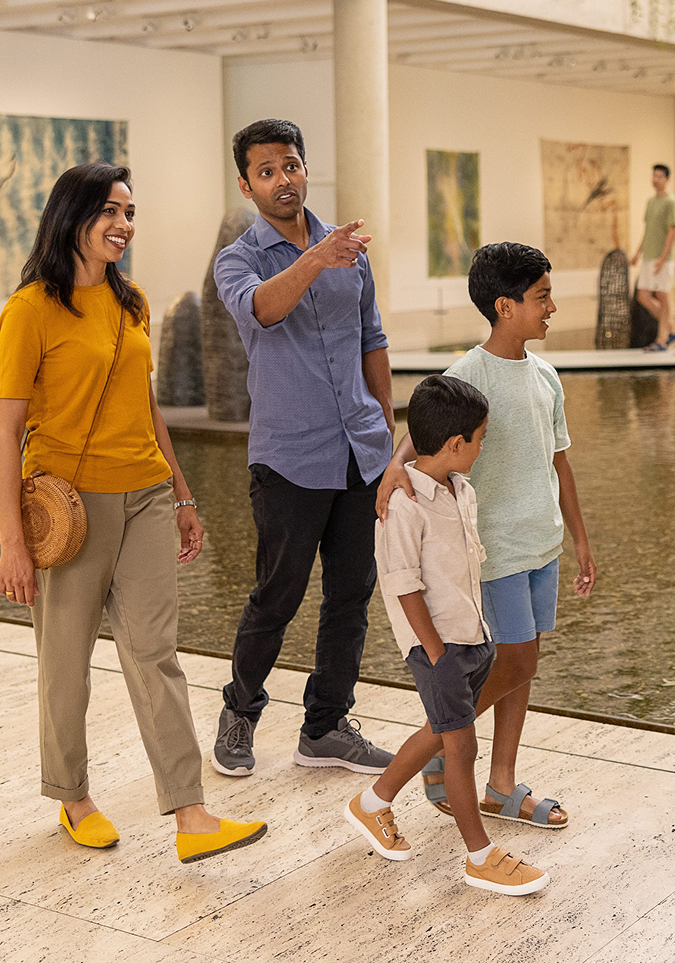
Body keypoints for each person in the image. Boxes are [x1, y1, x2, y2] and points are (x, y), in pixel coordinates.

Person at [0, 162, 266, 864]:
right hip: (68, 506)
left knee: (156, 655)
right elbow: (6, 427)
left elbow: (146, 407)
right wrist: (8, 538)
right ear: (73, 216)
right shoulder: (30, 308)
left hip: (145, 494)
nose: (125, 224)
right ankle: (72, 795)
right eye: (111, 211)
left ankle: (192, 813)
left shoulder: (132, 301)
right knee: (66, 659)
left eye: (131, 211)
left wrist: (181, 492)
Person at [377, 242, 596, 828]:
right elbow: (427, 422)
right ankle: (439, 747)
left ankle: (500, 782)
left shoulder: (546, 376)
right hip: (493, 551)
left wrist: (578, 538)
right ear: (505, 305)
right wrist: (396, 466)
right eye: (542, 296)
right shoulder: (469, 373)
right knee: (516, 663)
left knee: (524, 667)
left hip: (539, 546)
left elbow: (560, 462)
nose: (552, 306)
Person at [212, 118, 395, 779]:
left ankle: (324, 725)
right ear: (247, 184)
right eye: (267, 171)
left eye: (291, 164)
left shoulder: (352, 254)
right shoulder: (239, 259)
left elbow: (372, 340)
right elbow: (263, 309)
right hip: (288, 457)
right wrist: (316, 258)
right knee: (277, 594)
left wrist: (389, 438)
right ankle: (240, 707)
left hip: (360, 452)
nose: (283, 179)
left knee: (351, 595)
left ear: (305, 167)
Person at [345, 374, 549, 895]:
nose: (484, 446)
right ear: (456, 443)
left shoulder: (462, 490)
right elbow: (404, 585)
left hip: (472, 634)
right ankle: (480, 856)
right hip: (437, 649)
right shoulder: (403, 505)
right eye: (481, 437)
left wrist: (477, 639)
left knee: (442, 730)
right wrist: (437, 655)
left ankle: (372, 803)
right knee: (460, 746)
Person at [631, 164, 675, 352]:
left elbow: (672, 231)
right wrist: (637, 253)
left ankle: (662, 339)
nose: (656, 179)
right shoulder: (651, 202)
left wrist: (663, 257)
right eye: (654, 176)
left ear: (667, 179)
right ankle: (672, 327)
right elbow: (648, 231)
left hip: (663, 258)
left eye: (660, 176)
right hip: (648, 256)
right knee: (643, 295)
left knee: (662, 295)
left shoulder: (671, 202)